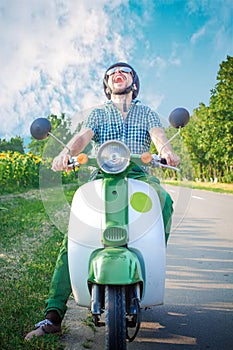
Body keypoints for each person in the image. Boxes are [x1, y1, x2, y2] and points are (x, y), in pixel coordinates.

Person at [25, 62, 179, 340]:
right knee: (75, 232)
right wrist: (65, 154)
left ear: (134, 81)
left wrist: (166, 151)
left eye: (124, 72)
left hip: (138, 175)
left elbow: (158, 136)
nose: (117, 75)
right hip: (101, 174)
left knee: (163, 201)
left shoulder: (145, 112)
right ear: (106, 85)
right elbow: (82, 138)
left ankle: (151, 262)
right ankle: (53, 315)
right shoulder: (98, 114)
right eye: (111, 74)